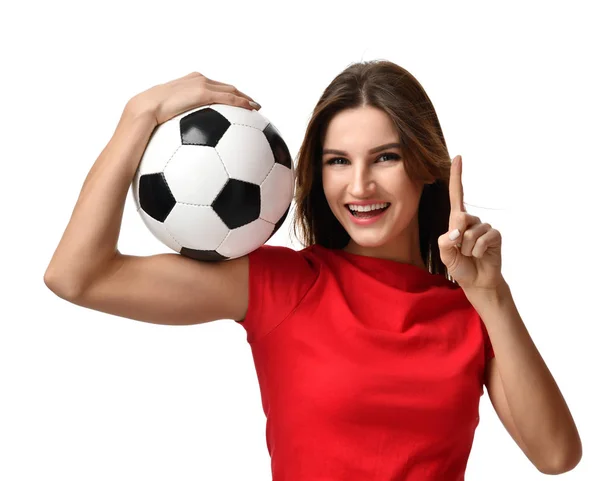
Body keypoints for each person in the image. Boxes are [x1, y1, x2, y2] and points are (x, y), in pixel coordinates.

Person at [44, 61, 581, 480]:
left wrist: (492, 294)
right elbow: (79, 275)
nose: (361, 186)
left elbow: (556, 456)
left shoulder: (472, 313)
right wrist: (138, 114)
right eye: (338, 160)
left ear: (424, 166)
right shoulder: (283, 285)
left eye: (386, 157)